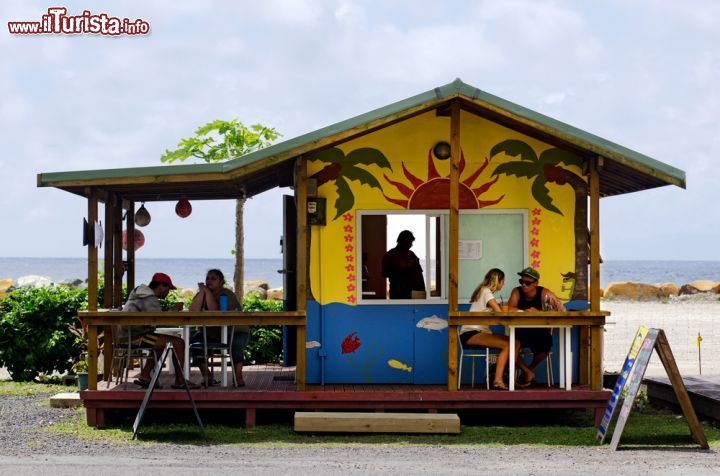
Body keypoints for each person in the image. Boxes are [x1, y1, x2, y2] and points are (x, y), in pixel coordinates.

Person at [120, 272, 199, 389]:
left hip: (129, 335)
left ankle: (145, 375)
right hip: (136, 338)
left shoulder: (141, 295)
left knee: (160, 344)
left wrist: (170, 309)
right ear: (161, 286)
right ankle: (180, 380)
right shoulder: (149, 298)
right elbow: (159, 319)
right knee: (179, 343)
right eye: (168, 288)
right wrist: (175, 310)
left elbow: (154, 315)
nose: (168, 292)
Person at [460, 268, 534, 390]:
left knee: (515, 343)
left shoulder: (483, 291)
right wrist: (501, 308)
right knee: (508, 345)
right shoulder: (486, 291)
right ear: (497, 281)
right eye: (503, 281)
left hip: (477, 332)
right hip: (472, 333)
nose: (503, 284)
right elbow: (499, 313)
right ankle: (498, 380)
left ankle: (512, 378)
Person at [189, 269, 249, 387]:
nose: (209, 281)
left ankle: (238, 377)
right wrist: (202, 293)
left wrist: (207, 292)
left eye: (213, 278)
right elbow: (193, 311)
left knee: (235, 345)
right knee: (194, 343)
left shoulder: (227, 294)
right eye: (207, 278)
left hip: (235, 331)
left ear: (221, 281)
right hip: (212, 334)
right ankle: (208, 376)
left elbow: (214, 311)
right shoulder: (202, 293)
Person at [507, 266, 566, 386]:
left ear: (536, 283)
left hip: (539, 331)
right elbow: (510, 309)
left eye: (527, 283)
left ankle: (528, 370)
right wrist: (524, 312)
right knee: (510, 347)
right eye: (521, 281)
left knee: (545, 347)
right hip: (520, 330)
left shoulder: (545, 293)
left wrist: (538, 312)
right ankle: (528, 372)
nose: (523, 285)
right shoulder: (516, 291)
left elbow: (561, 310)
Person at [381, 230, 426, 299]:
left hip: (412, 293)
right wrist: (402, 268)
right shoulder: (390, 255)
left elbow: (419, 274)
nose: (411, 245)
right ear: (402, 241)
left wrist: (421, 292)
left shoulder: (411, 254)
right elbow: (384, 273)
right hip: (397, 293)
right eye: (409, 242)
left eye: (411, 242)